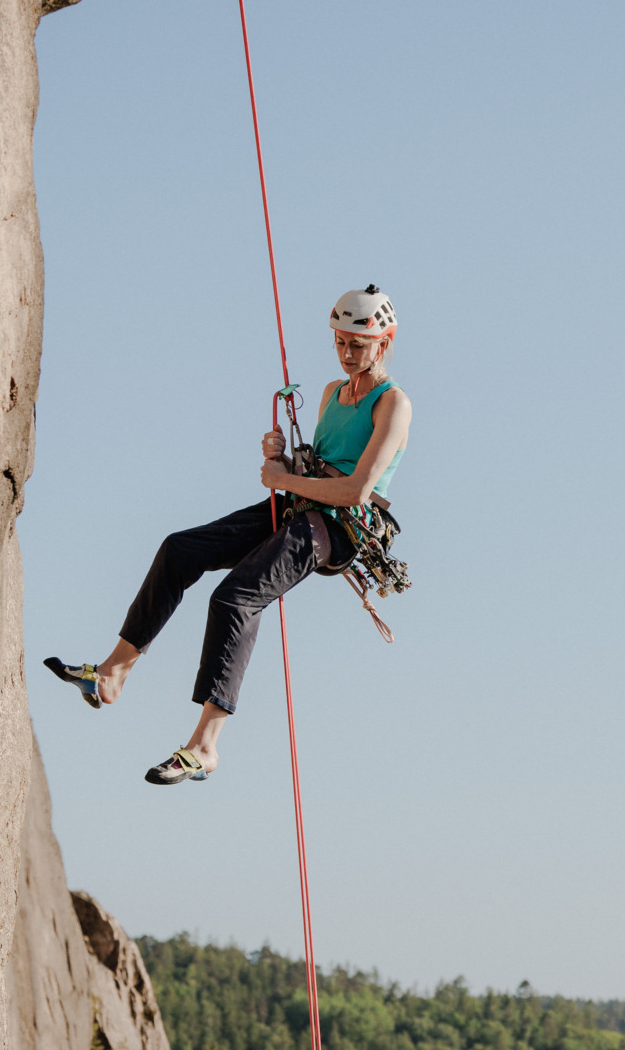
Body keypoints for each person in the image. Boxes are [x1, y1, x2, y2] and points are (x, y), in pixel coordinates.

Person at [42, 285, 412, 784]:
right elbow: (309, 468)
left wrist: (282, 479)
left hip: (339, 525)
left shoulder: (393, 404)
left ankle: (205, 747)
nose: (347, 353)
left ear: (383, 344)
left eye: (358, 345)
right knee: (180, 549)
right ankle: (112, 673)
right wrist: (279, 457)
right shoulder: (330, 393)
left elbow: (357, 489)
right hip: (299, 502)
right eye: (340, 343)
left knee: (235, 597)